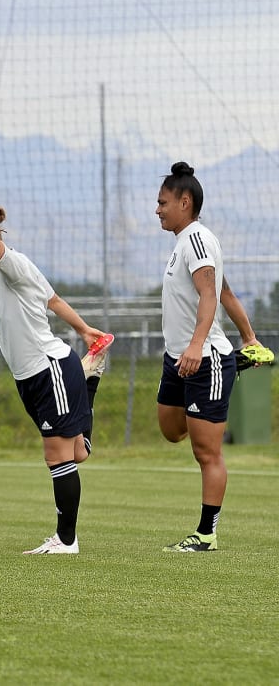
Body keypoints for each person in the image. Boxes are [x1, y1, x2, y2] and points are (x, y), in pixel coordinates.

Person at [0, 159, 112, 555]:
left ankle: (66, 541)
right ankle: (89, 384)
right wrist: (85, 329)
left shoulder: (12, 267)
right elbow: (52, 299)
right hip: (29, 378)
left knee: (55, 455)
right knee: (76, 453)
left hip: (49, 368)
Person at [155, 162, 270, 552]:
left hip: (202, 359)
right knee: (171, 429)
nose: (157, 209)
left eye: (163, 202)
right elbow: (227, 294)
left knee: (206, 452)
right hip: (177, 360)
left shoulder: (199, 240)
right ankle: (229, 371)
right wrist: (250, 338)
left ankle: (206, 534)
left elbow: (210, 295)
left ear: (184, 202)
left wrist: (196, 344)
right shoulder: (183, 243)